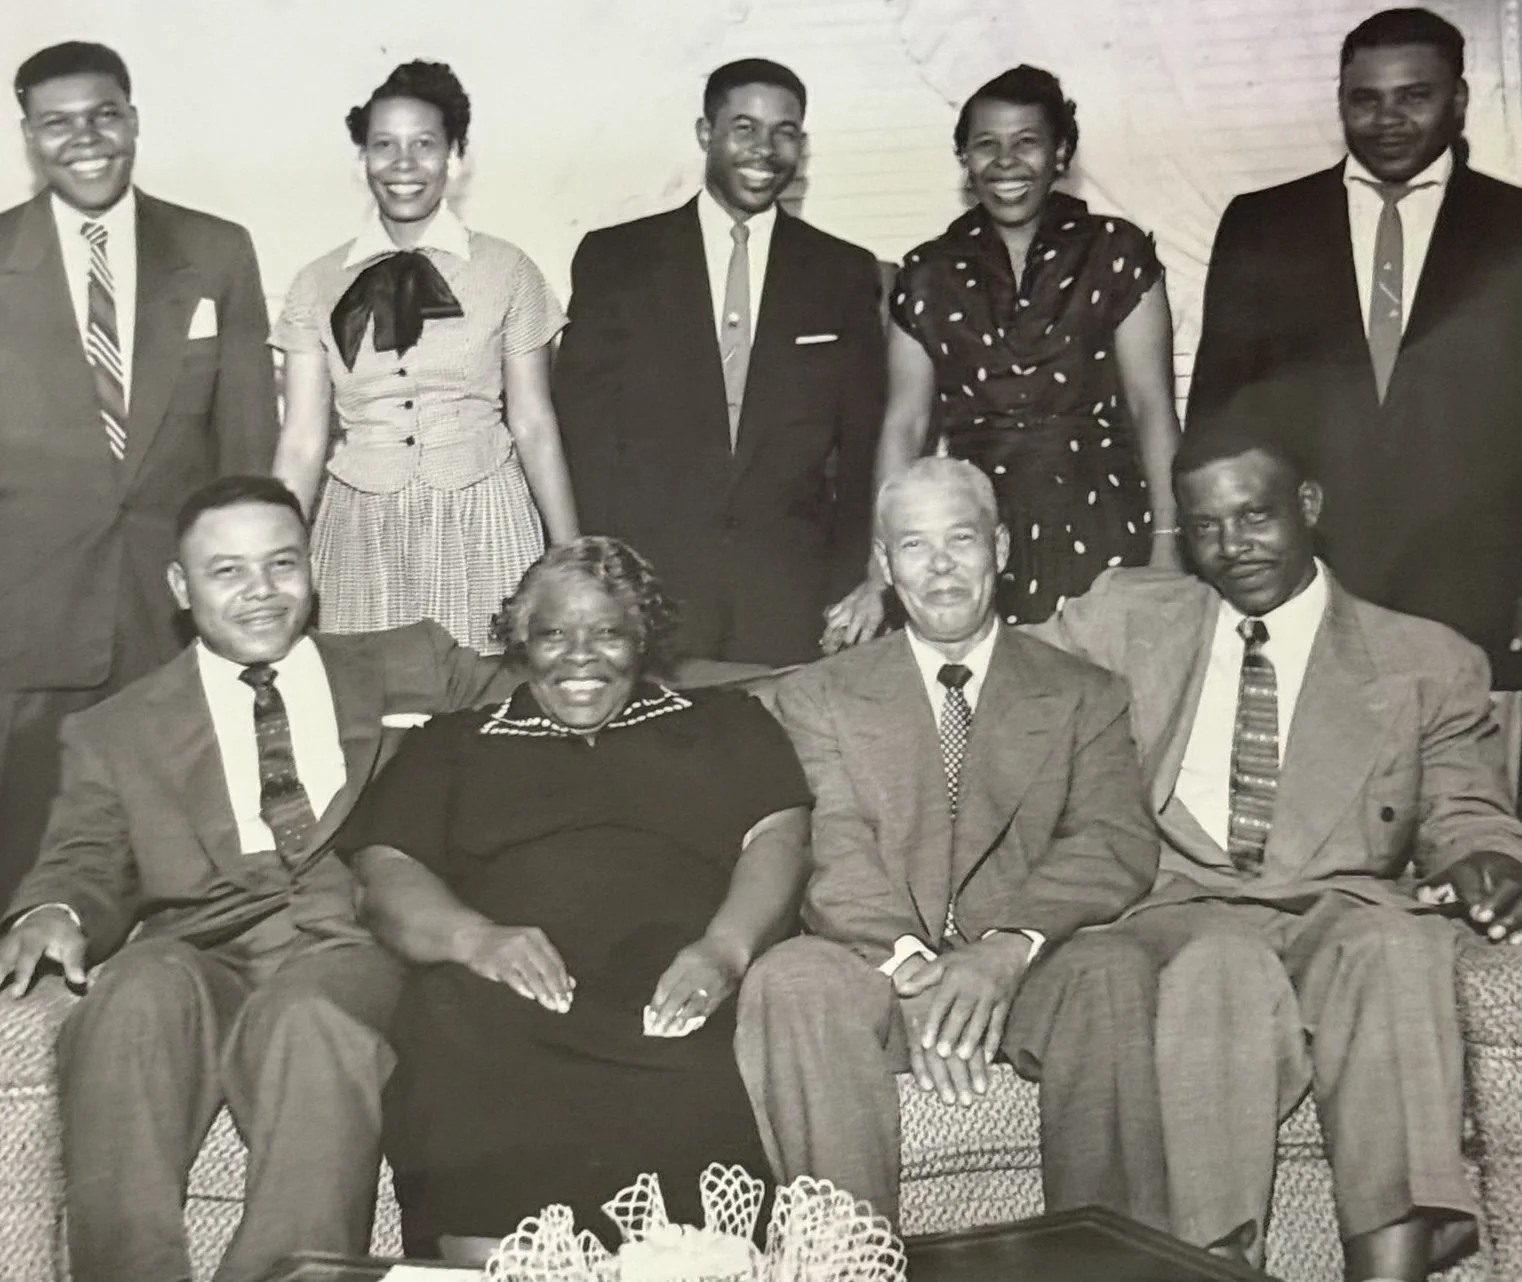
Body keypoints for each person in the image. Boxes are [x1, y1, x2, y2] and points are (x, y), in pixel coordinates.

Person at [1029, 420, 1522, 1279]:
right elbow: (990, 669)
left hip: (1338, 903)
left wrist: (1486, 857)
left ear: (1308, 506)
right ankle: (1218, 1261)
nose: (1233, 547)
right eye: (1207, 527)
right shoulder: (1125, 619)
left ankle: (1392, 1262)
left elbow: (1466, 808)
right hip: (1179, 902)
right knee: (1220, 962)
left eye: (1255, 517)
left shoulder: (1423, 659)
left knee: (1397, 944)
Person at [0, 476, 517, 1282]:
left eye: (281, 564)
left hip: (351, 944)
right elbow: (84, 856)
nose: (262, 592)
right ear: (181, 587)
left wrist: (722, 698)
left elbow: (563, 688)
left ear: (311, 568)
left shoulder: (407, 662)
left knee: (310, 1019)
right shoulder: (116, 729)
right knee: (131, 996)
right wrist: (55, 909)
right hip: (199, 945)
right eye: (228, 571)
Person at [340, 537, 813, 1261]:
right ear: (521, 641)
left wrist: (725, 949)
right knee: (453, 1026)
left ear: (642, 638)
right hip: (504, 997)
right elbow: (385, 869)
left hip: (677, 984)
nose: (580, 658)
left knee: (703, 1070)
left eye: (608, 634)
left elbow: (779, 835)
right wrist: (475, 939)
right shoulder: (454, 743)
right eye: (554, 634)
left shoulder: (723, 721)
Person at [735, 456, 1165, 1230]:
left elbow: (1112, 839)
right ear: (884, 564)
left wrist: (1004, 950)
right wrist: (917, 972)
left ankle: (1105, 1265)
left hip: (1026, 977)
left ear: (1000, 548)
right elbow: (833, 847)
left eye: (961, 539)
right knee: (789, 978)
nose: (939, 567)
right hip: (878, 972)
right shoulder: (819, 697)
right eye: (914, 545)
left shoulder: (1085, 692)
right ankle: (849, 1262)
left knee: (1113, 969)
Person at [0, 42, 279, 905]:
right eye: (57, 123)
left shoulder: (215, 250)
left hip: (175, 617)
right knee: (28, 870)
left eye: (104, 116)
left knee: (183, 873)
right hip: (29, 623)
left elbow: (247, 447)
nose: (85, 139)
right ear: (28, 137)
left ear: (133, 121)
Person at [1188, 7, 1522, 686]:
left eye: (1414, 96)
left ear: (1459, 99)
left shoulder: (1513, 225)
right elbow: (1219, 413)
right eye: (1365, 100)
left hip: (1476, 580)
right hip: (1302, 575)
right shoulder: (1262, 224)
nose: (1387, 119)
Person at [825, 65, 1181, 652]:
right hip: (978, 536)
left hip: (1110, 523)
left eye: (1027, 142)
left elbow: (1152, 408)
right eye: (986, 144)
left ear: (1060, 153)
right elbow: (905, 425)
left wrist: (1169, 547)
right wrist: (878, 570)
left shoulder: (1117, 251)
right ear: (965, 160)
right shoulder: (927, 271)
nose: (1006, 162)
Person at [553, 58, 886, 667]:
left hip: (791, 592)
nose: (765, 150)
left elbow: (862, 447)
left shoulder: (843, 271)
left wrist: (856, 579)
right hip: (647, 588)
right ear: (706, 133)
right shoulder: (616, 259)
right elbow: (584, 435)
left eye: (785, 132)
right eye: (744, 128)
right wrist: (599, 579)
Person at [273, 60, 578, 654]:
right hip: (360, 530)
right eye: (384, 144)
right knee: (368, 694)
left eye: (424, 144)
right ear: (363, 158)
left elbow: (534, 422)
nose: (404, 163)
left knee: (489, 691)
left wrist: (570, 558)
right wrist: (274, 555)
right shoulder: (315, 283)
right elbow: (303, 441)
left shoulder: (509, 270)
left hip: (484, 518)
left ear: (454, 155)